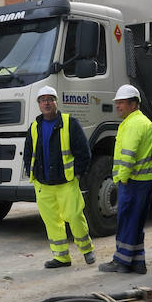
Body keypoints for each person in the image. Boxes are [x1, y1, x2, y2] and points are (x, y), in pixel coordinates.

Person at [23, 85, 96, 269]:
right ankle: (62, 258)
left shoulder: (70, 122)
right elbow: (28, 153)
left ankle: (87, 250)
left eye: (50, 99)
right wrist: (33, 174)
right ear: (39, 104)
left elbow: (84, 153)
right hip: (43, 185)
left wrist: (76, 174)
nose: (46, 103)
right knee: (52, 222)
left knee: (74, 216)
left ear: (56, 102)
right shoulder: (34, 127)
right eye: (43, 100)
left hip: (66, 183)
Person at [99, 84, 152, 274]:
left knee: (126, 221)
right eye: (117, 103)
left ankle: (121, 261)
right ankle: (138, 262)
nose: (118, 106)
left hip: (132, 182)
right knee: (136, 223)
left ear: (134, 104)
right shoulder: (143, 121)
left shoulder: (133, 124)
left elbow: (129, 154)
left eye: (122, 103)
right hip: (143, 181)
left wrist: (121, 178)